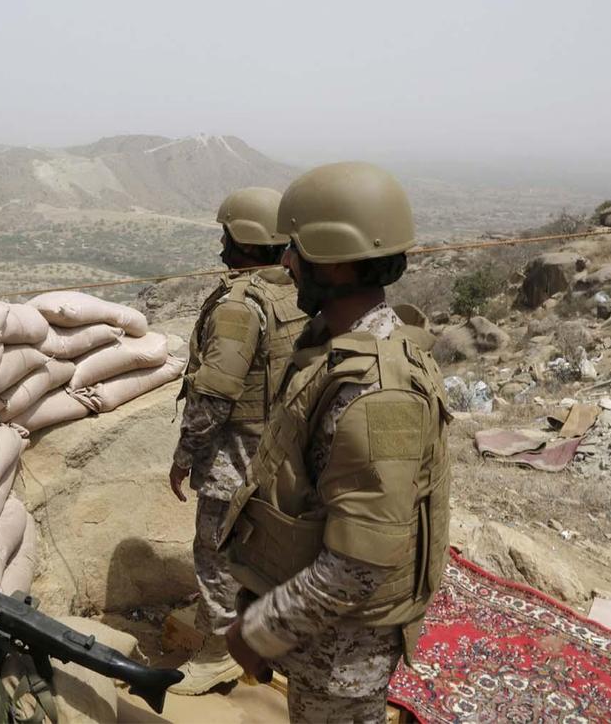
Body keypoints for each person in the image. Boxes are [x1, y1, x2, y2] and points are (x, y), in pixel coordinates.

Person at [220, 162, 451, 723]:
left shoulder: (377, 394)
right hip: (322, 633)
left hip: (344, 650)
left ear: (336, 259)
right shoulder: (335, 345)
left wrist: (260, 631)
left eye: (295, 249)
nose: (287, 262)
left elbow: (358, 565)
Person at [168, 187, 307, 696]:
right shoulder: (293, 294)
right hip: (281, 452)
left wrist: (185, 456)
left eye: (227, 234)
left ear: (243, 239)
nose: (222, 243)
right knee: (266, 555)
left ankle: (216, 654)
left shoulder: (240, 306)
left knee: (215, 554)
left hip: (235, 456)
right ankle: (267, 638)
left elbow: (214, 395)